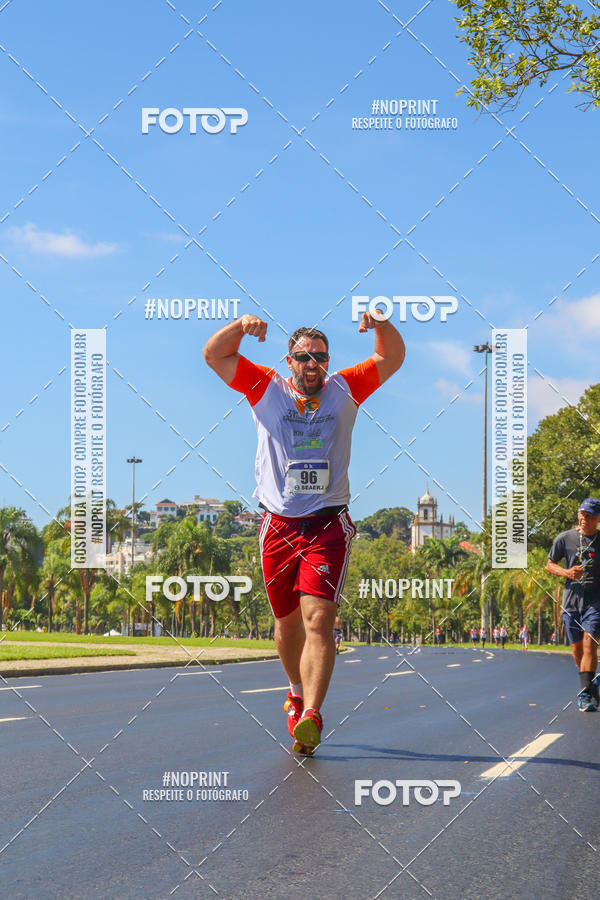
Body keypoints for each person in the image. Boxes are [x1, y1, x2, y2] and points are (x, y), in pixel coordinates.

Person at [203, 312, 405, 752]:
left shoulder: (345, 388)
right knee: (286, 622)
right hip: (277, 524)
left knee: (319, 619)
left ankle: (312, 713)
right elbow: (214, 355)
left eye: (319, 357)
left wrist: (381, 324)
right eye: (302, 357)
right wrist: (240, 327)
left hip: (327, 523)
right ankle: (295, 691)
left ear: (328, 361)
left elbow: (391, 357)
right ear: (289, 360)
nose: (311, 365)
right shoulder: (265, 387)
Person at [546, 498, 600, 712]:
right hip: (571, 602)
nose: (585, 519)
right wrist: (567, 572)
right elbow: (550, 564)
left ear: (597, 519)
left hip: (595, 602)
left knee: (590, 643)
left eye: (590, 516)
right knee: (577, 649)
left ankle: (584, 695)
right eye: (582, 515)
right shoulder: (565, 539)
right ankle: (591, 684)